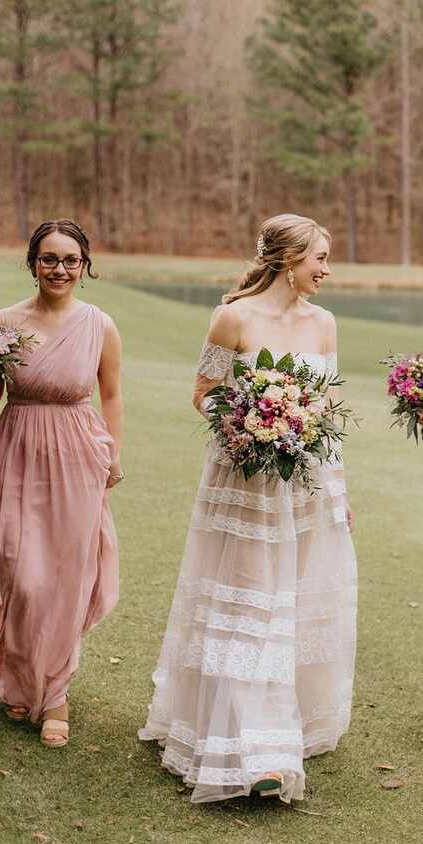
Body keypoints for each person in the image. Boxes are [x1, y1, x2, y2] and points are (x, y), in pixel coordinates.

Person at [139, 213, 356, 803]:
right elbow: (204, 394)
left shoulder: (325, 324)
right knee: (247, 606)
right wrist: (247, 429)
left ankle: (287, 722)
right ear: (290, 259)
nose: (326, 271)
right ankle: (258, 749)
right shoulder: (232, 317)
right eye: (320, 259)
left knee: (288, 606)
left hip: (303, 489)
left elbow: (329, 414)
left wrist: (337, 493)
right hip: (242, 483)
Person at [0, 219, 123, 747]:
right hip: (16, 452)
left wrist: (113, 455)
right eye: (49, 259)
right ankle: (20, 672)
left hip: (78, 452)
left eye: (70, 260)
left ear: (85, 266)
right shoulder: (4, 322)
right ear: (32, 262)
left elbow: (112, 395)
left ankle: (54, 693)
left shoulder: (101, 324)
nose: (60, 269)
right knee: (22, 574)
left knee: (65, 576)